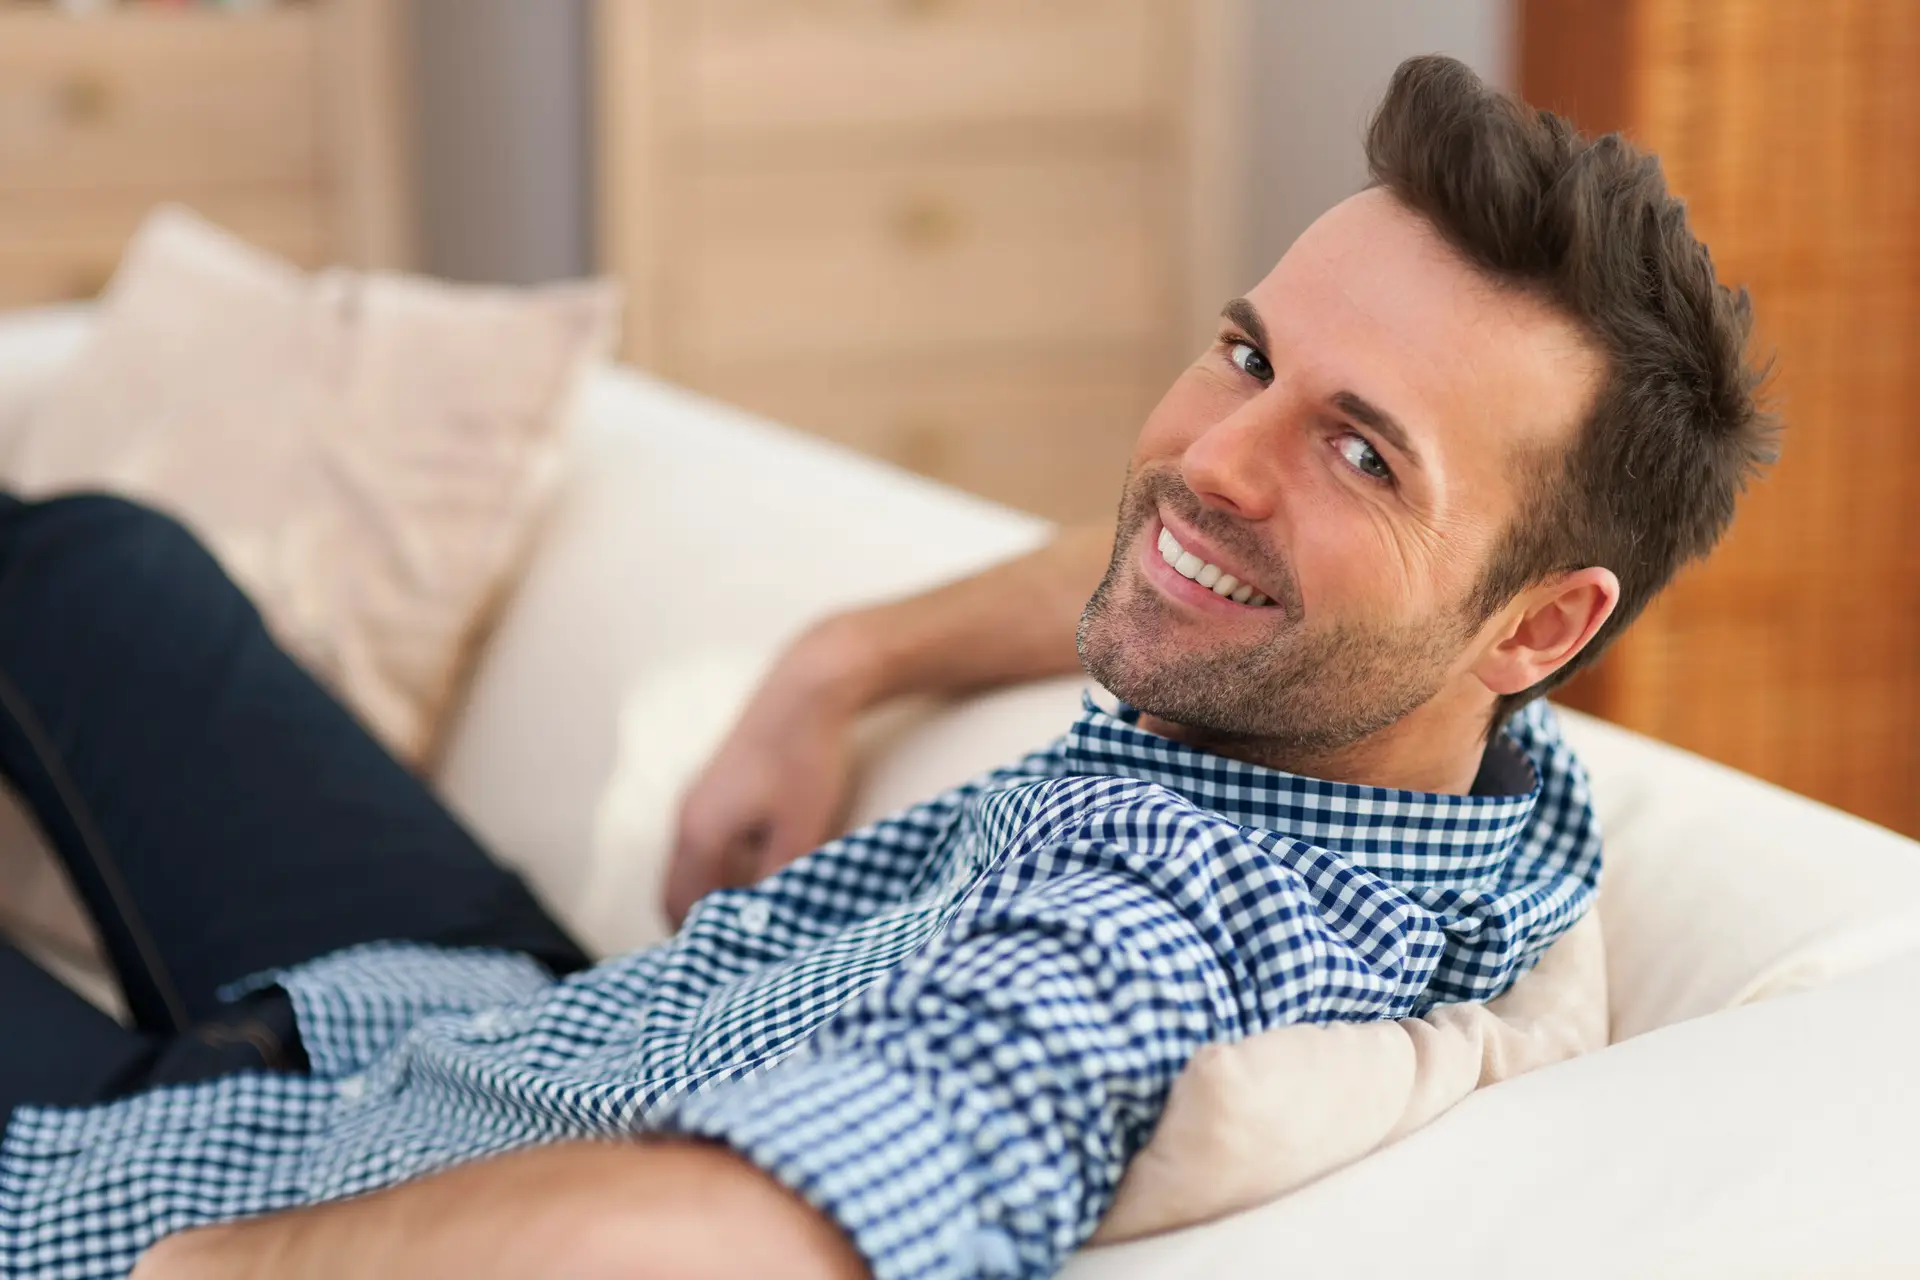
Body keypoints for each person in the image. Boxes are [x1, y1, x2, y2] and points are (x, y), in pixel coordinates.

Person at [0, 57, 1772, 1280]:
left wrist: (171, 1256)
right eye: (1247, 356)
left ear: (1543, 625)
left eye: (1364, 454)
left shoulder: (1180, 929)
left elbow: (721, 1246)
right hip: (509, 1021)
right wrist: (842, 661)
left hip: (271, 1176)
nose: (1216, 458)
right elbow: (1185, 544)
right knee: (98, 565)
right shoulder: (1471, 766)